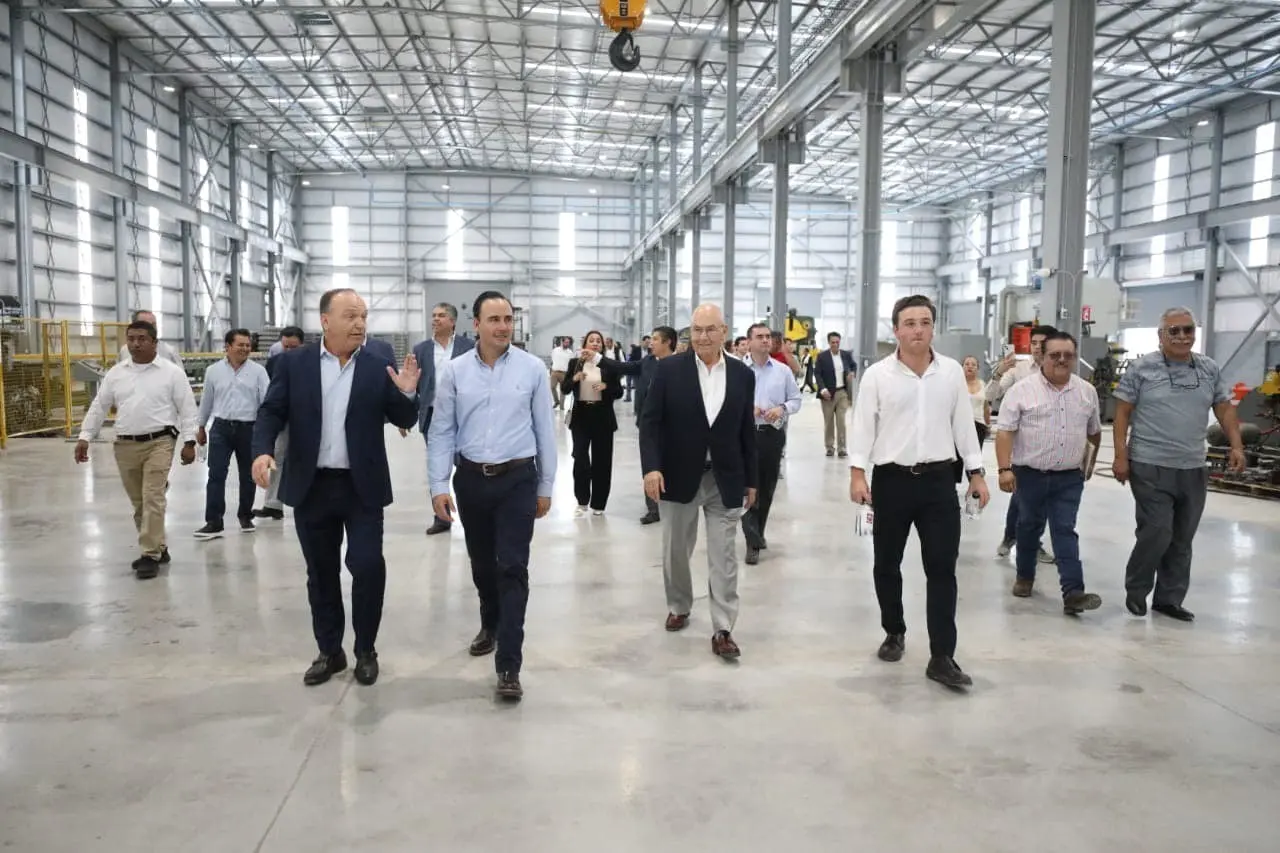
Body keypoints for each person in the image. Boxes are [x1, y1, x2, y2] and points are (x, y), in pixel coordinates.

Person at [251, 288, 421, 687]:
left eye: (363, 316)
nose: (360, 323)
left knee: (367, 566)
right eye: (350, 316)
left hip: (361, 487)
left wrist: (408, 392)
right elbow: (271, 410)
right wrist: (261, 452)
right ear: (325, 320)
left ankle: (366, 649)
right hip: (312, 486)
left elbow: (404, 418)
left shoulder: (378, 364)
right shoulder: (295, 365)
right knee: (321, 572)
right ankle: (331, 651)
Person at [848, 295, 989, 689]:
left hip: (939, 483)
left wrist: (976, 473)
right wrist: (857, 473)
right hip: (890, 482)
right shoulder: (877, 375)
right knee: (886, 564)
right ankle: (894, 630)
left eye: (924, 322)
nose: (917, 330)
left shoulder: (950, 374)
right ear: (896, 330)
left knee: (942, 569)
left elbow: (964, 425)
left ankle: (942, 655)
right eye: (909, 323)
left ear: (932, 328)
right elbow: (863, 426)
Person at [429, 291, 557, 700]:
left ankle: (509, 664)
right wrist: (438, 485)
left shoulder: (533, 369)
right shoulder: (454, 371)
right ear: (476, 326)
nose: (504, 327)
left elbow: (544, 429)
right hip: (470, 481)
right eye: (495, 319)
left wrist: (546, 485)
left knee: (513, 567)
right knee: (483, 565)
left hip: (518, 479)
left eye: (508, 319)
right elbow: (442, 430)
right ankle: (490, 622)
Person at [640, 303, 757, 660]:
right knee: (676, 549)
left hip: (725, 478)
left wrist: (751, 480)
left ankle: (723, 628)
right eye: (696, 330)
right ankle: (679, 604)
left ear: (724, 331)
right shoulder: (669, 370)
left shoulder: (741, 374)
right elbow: (650, 422)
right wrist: (651, 468)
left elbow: (745, 431)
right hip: (677, 475)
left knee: (724, 556)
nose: (703, 337)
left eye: (710, 329)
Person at [1113, 307, 1245, 621]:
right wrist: (1120, 455)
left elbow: (1224, 409)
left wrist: (1236, 445)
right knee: (1157, 531)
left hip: (1193, 466)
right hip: (1149, 463)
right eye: (1174, 331)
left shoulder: (1208, 368)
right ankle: (1137, 589)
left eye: (1187, 330)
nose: (1182, 336)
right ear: (1161, 336)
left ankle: (1168, 599)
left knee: (1182, 537)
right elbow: (1121, 414)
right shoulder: (1142, 368)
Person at [76, 320, 198, 579]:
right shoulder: (116, 373)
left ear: (154, 342)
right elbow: (100, 405)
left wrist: (189, 442)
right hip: (125, 444)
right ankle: (159, 546)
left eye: (142, 338)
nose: (135, 343)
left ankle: (149, 554)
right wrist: (85, 436)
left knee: (153, 496)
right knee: (140, 502)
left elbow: (187, 408)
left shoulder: (172, 373)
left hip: (160, 442)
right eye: (131, 338)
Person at [995, 331, 1103, 615]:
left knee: (1065, 530)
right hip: (1029, 474)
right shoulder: (1022, 390)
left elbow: (1094, 432)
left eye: (1068, 355)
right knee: (1029, 526)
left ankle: (1073, 592)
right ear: (1042, 356)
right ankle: (1025, 576)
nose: (1062, 360)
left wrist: (1088, 466)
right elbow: (1005, 432)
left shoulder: (1086, 392)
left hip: (1069, 477)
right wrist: (1005, 469)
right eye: (1055, 355)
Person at [989, 325, 1057, 562]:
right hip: (1020, 442)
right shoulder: (1018, 368)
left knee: (1039, 496)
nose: (1037, 347)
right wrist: (999, 372)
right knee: (1023, 494)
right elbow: (991, 396)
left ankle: (1023, 539)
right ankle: (1017, 539)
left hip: (1048, 442)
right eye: (1034, 342)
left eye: (1042, 342)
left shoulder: (1058, 368)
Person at [194, 328, 270, 539]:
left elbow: (266, 403)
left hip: (249, 429)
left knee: (248, 475)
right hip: (221, 429)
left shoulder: (258, 372)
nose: (245, 348)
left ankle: (245, 515)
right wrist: (200, 427)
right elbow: (206, 401)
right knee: (216, 475)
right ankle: (213, 521)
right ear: (227, 347)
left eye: (248, 345)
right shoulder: (213, 371)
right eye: (241, 344)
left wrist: (266, 432)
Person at [599, 326, 677, 525]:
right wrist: (597, 359)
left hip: (672, 425)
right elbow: (623, 367)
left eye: (656, 339)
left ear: (668, 342)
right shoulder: (648, 362)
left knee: (670, 463)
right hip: (647, 422)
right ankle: (653, 508)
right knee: (649, 464)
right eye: (651, 339)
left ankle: (672, 502)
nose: (651, 343)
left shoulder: (679, 365)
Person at [740, 323, 802, 565]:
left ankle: (758, 531)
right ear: (749, 341)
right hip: (743, 434)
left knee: (766, 487)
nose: (766, 340)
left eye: (768, 337)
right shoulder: (737, 369)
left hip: (770, 436)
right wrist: (747, 409)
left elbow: (796, 399)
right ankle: (752, 539)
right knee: (747, 486)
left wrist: (782, 409)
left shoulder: (782, 371)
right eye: (760, 337)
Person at [411, 302, 475, 535]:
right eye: (433, 316)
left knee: (468, 468)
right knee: (437, 468)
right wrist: (406, 415)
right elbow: (414, 384)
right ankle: (442, 518)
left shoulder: (469, 347)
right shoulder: (421, 349)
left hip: (465, 416)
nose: (435, 319)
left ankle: (472, 515)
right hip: (432, 416)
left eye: (441, 316)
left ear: (453, 321)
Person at [562, 330, 624, 516]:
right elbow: (565, 389)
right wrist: (574, 379)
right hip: (581, 418)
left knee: (602, 461)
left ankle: (599, 503)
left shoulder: (608, 365)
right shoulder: (575, 363)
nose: (595, 343)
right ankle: (581, 501)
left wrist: (607, 387)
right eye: (592, 340)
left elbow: (619, 391)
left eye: (599, 341)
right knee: (580, 458)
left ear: (602, 346)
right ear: (585, 344)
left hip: (603, 418)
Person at [253, 326, 305, 520]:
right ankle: (273, 504)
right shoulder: (275, 362)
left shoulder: (312, 362)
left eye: (294, 347)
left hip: (308, 419)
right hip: (284, 418)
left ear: (302, 344)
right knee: (278, 457)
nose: (290, 351)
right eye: (286, 346)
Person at [815, 332, 856, 457]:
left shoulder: (845, 355)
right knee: (829, 422)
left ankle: (842, 448)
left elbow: (854, 366)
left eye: (837, 342)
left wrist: (852, 373)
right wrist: (822, 390)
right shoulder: (822, 357)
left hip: (842, 392)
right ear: (829, 343)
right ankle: (829, 447)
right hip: (827, 394)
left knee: (841, 421)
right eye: (833, 342)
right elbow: (818, 374)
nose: (835, 344)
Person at [117, 309, 184, 369]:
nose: (152, 328)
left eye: (154, 325)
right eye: (147, 325)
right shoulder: (124, 351)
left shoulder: (169, 351)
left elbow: (181, 379)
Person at [963, 355, 991, 444]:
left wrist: (988, 425)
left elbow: (986, 408)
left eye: (973, 365)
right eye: (967, 364)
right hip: (962, 425)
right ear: (962, 367)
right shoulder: (958, 384)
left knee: (976, 456)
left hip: (980, 425)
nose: (970, 366)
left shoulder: (983, 384)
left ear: (978, 368)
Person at [549, 336, 573, 410]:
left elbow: (571, 364)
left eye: (568, 342)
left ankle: (562, 407)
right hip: (555, 372)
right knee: (552, 387)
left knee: (563, 390)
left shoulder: (570, 353)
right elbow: (552, 359)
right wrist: (551, 370)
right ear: (562, 342)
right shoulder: (555, 350)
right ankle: (557, 401)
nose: (567, 344)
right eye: (566, 342)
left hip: (564, 373)